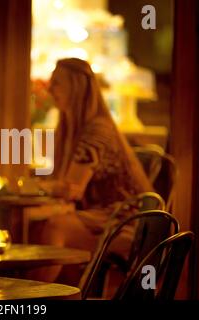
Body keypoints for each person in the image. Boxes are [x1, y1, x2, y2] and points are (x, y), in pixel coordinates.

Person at [28, 58, 153, 283]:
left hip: (127, 221)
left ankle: (32, 299)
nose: (49, 89)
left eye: (57, 83)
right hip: (100, 217)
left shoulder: (97, 130)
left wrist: (33, 187)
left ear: (76, 87)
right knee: (34, 225)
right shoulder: (69, 128)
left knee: (57, 228)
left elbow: (71, 189)